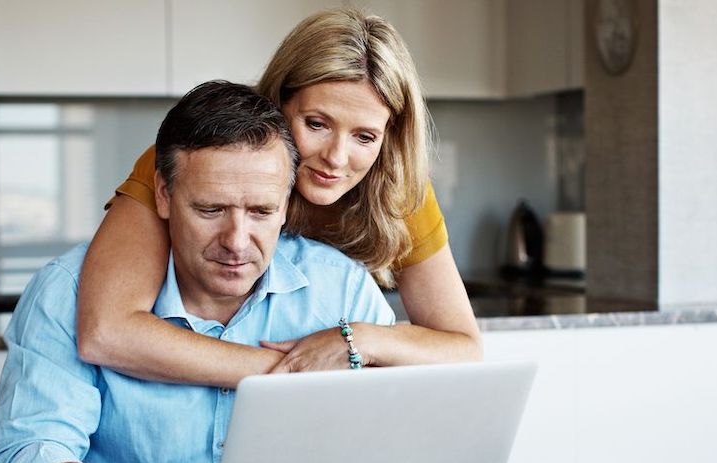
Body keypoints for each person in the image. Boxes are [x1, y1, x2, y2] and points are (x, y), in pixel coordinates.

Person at [0, 82, 395, 463]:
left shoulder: (344, 291)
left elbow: (395, 449)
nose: (236, 241)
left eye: (261, 212)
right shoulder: (67, 291)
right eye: (211, 210)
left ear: (287, 203)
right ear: (163, 194)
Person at [76, 7, 480, 387]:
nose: (336, 158)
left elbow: (464, 347)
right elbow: (106, 331)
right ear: (279, 102)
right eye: (317, 124)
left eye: (364, 136)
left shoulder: (397, 186)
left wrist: (356, 341)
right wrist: (291, 374)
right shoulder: (199, 159)